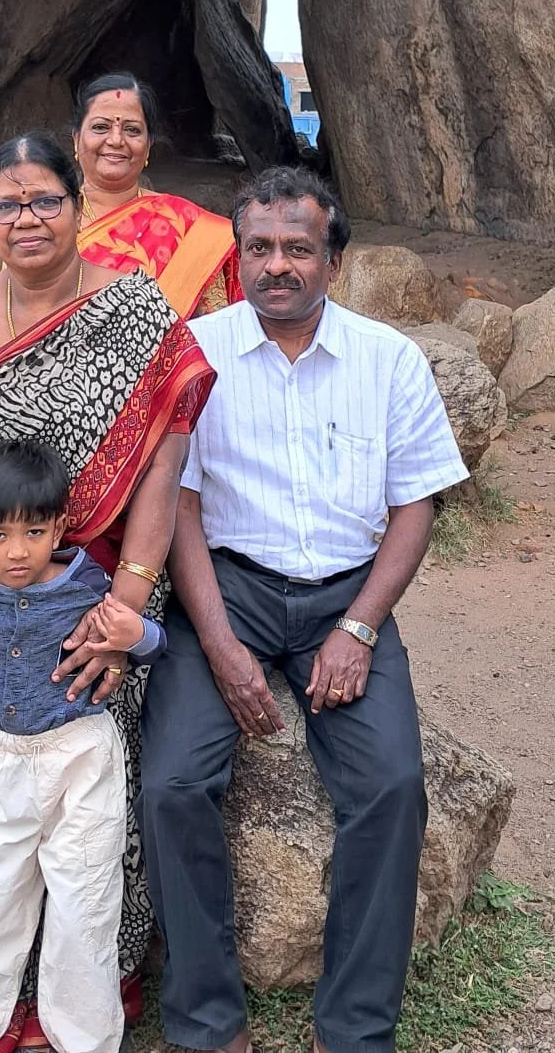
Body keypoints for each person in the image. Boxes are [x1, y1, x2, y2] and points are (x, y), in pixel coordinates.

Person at [0, 130, 215, 1053]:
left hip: (95, 597)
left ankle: (77, 1012)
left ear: (77, 204)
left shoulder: (135, 310)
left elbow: (167, 457)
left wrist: (127, 605)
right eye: (7, 204)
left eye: (45, 200)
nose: (27, 219)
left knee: (92, 829)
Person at [141, 166, 469, 1053]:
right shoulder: (194, 353)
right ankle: (208, 1024)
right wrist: (219, 644)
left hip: (346, 595)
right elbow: (180, 507)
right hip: (228, 589)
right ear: (237, 256)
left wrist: (359, 627)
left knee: (392, 787)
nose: (276, 265)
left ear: (334, 260)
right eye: (258, 248)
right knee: (171, 785)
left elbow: (415, 504)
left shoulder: (389, 359)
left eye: (297, 248)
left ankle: (353, 1029)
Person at [0, 439, 165, 1053]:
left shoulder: (87, 582)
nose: (17, 552)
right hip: (3, 761)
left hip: (84, 758)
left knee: (86, 902)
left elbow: (150, 644)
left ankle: (85, 1039)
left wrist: (137, 635)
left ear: (59, 528)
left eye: (34, 532)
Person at [72, 72, 241, 317]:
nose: (116, 140)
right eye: (100, 127)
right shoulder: (43, 219)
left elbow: (215, 325)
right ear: (76, 139)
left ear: (149, 145)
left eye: (132, 130)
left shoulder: (188, 228)